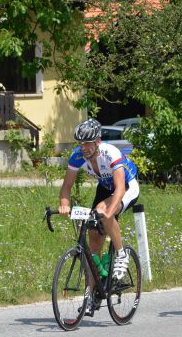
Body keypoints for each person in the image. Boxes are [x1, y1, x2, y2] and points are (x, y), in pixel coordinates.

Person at [59, 119, 139, 313]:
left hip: (127, 187)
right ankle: (91, 296)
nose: (83, 147)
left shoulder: (110, 152)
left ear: (97, 141)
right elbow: (67, 186)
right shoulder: (78, 156)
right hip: (104, 188)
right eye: (80, 143)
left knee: (103, 212)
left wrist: (109, 213)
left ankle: (121, 254)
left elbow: (120, 188)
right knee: (93, 245)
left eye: (87, 143)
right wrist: (64, 204)